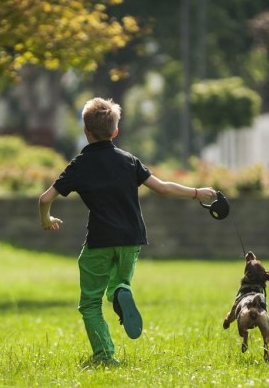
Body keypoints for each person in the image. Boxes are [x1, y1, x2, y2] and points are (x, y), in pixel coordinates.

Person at [38, 97, 216, 367]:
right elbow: (163, 188)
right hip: (132, 239)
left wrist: (46, 219)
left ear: (86, 131)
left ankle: (105, 355)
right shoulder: (129, 161)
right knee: (119, 286)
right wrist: (196, 192)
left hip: (100, 240)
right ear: (115, 131)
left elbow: (44, 198)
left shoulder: (79, 165)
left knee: (90, 303)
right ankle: (121, 290)